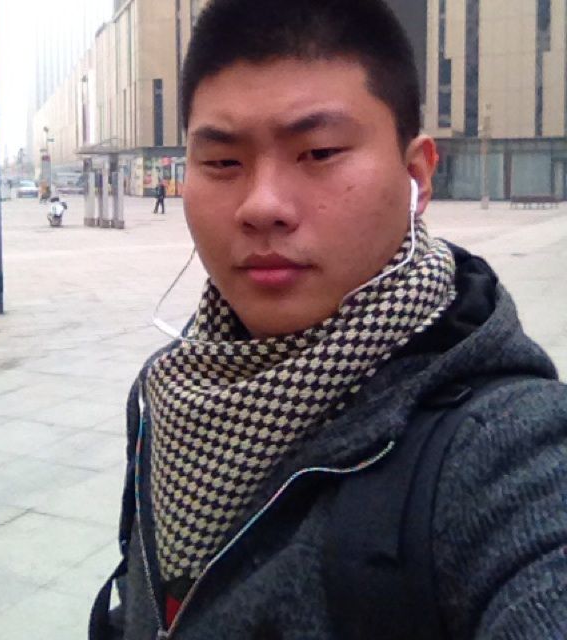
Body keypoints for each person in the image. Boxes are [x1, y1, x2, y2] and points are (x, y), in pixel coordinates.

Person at [92, 1, 567, 639]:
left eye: (318, 152)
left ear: (417, 176)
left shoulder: (505, 447)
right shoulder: (170, 392)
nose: (261, 206)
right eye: (223, 163)